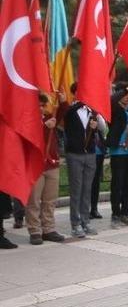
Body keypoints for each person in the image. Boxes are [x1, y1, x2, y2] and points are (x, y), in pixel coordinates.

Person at [63, 83, 106, 238]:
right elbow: (66, 115)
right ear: (75, 94)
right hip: (75, 154)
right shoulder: (70, 110)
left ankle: (85, 221)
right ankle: (75, 224)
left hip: (90, 154)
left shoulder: (92, 111)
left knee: (87, 189)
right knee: (76, 190)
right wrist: (83, 103)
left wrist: (95, 121)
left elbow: (103, 127)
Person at [25, 93, 66, 245]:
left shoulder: (49, 116)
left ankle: (48, 228)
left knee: (50, 199)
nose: (41, 108)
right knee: (34, 200)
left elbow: (61, 114)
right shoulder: (27, 120)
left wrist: (62, 102)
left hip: (51, 163)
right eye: (39, 105)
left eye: (43, 105)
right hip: (35, 164)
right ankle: (34, 230)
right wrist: (43, 127)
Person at [105, 86, 128, 228]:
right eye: (125, 95)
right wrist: (126, 89)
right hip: (118, 152)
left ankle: (126, 212)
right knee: (117, 184)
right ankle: (115, 214)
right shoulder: (114, 110)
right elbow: (111, 100)